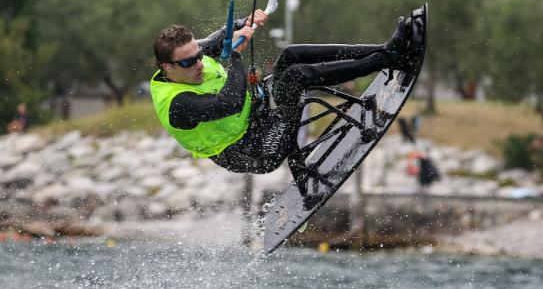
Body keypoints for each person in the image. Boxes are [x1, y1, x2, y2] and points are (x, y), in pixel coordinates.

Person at [150, 10, 415, 175]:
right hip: (253, 151)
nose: (197, 63)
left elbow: (217, 38)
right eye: (187, 62)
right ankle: (388, 62)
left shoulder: (191, 55)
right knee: (294, 78)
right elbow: (229, 103)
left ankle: (385, 49)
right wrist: (237, 58)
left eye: (197, 55)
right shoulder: (176, 105)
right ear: (167, 66)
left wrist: (245, 20)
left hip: (259, 116)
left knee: (291, 54)